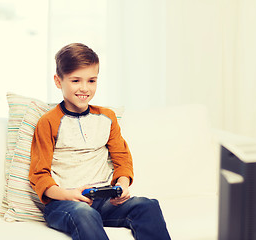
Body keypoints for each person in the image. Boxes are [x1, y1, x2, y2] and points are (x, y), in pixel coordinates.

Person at [29, 43, 171, 240]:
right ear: (58, 81)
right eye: (76, 80)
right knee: (85, 213)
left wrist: (122, 185)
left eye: (91, 80)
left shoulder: (107, 117)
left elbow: (122, 158)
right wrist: (68, 194)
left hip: (103, 200)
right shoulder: (48, 122)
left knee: (148, 205)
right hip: (64, 204)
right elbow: (39, 175)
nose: (84, 88)